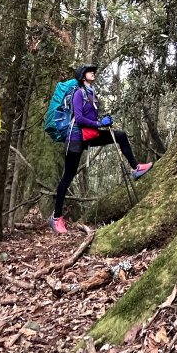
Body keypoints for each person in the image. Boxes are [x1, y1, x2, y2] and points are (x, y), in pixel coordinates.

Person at [49, 64, 153, 234]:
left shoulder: (92, 93)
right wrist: (99, 124)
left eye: (93, 71)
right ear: (83, 76)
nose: (93, 73)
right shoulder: (78, 93)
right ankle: (56, 218)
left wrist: (104, 121)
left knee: (120, 135)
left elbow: (90, 117)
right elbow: (80, 118)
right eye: (90, 71)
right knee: (68, 177)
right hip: (75, 139)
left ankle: (135, 168)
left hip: (89, 135)